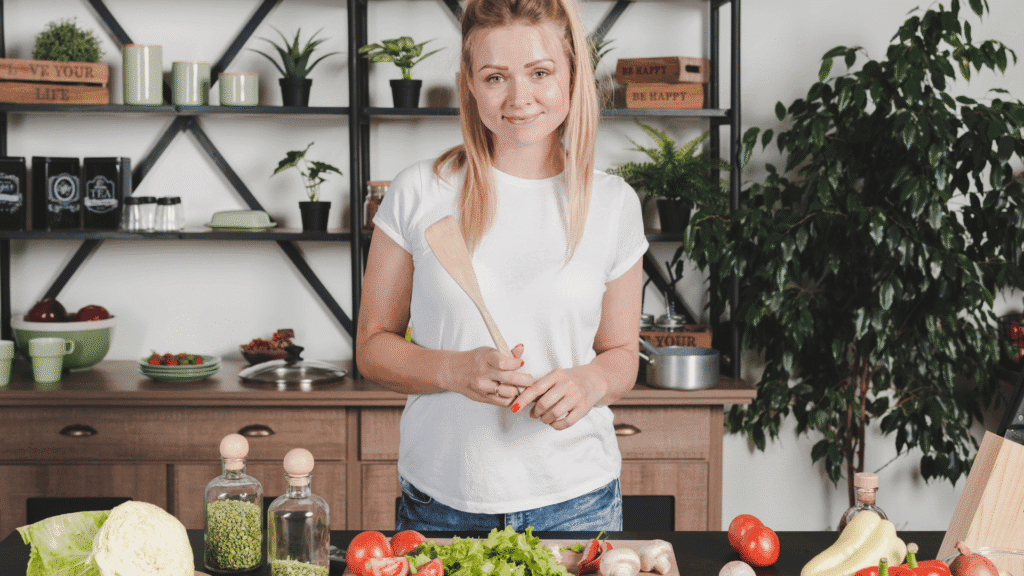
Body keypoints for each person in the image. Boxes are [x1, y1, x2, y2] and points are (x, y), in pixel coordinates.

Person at [355, 0, 648, 532]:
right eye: (495, 77)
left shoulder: (613, 203)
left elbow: (621, 354)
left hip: (577, 503)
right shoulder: (421, 190)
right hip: (440, 502)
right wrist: (454, 370)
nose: (520, 99)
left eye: (540, 73)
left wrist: (588, 383)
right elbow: (372, 349)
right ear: (469, 81)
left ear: (572, 74)